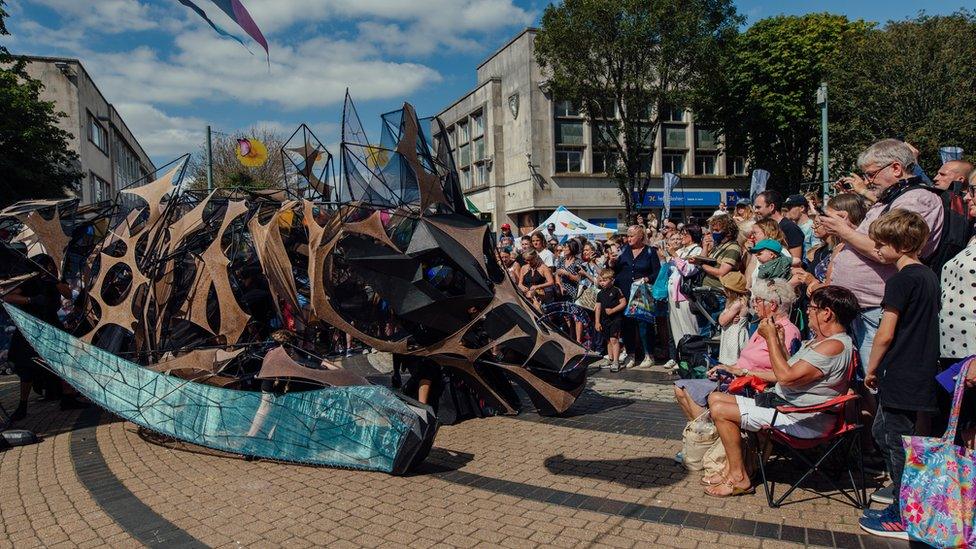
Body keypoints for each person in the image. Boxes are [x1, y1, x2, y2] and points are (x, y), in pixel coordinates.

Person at [703, 285, 859, 497]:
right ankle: (738, 468)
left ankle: (738, 477)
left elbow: (785, 377)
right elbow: (790, 372)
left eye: (811, 308)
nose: (807, 311)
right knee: (716, 398)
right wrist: (777, 343)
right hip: (790, 408)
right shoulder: (822, 342)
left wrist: (770, 340)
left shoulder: (833, 346)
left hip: (803, 419)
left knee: (721, 409)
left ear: (827, 313)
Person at [819, 139, 943, 369]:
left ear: (896, 168)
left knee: (876, 378)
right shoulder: (891, 198)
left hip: (878, 309)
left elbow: (889, 250)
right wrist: (851, 230)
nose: (867, 182)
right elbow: (873, 241)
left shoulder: (917, 199)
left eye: (871, 174)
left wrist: (844, 231)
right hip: (862, 309)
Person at [859, 210, 941, 540]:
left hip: (901, 369)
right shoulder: (928, 276)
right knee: (884, 433)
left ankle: (903, 511)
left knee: (896, 442)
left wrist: (872, 367)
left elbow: (885, 332)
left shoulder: (900, 280)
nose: (877, 251)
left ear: (898, 244)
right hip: (919, 368)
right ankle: (904, 500)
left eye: (880, 245)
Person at [673, 278, 802, 422]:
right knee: (681, 388)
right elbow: (744, 361)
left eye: (757, 300)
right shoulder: (765, 326)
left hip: (753, 387)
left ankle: (709, 434)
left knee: (686, 389)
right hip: (737, 380)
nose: (754, 305)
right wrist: (726, 368)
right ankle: (705, 432)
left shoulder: (787, 331)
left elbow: (783, 373)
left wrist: (741, 372)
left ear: (772, 305)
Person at [793, 194, 868, 294]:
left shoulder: (862, 247)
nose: (825, 221)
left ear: (844, 216)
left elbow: (832, 288)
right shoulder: (839, 247)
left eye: (828, 217)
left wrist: (813, 283)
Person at [608, 225, 660, 368]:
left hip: (642, 292)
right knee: (627, 324)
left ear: (640, 237)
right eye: (628, 236)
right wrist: (612, 263)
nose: (629, 238)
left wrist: (647, 279)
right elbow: (615, 269)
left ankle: (649, 354)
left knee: (644, 323)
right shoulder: (624, 250)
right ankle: (631, 354)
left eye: (632, 236)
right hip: (624, 292)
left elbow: (657, 273)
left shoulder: (650, 252)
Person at [692, 215, 742, 329]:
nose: (714, 233)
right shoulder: (718, 246)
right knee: (704, 331)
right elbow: (703, 260)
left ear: (728, 232)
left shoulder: (733, 248)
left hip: (719, 294)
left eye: (717, 230)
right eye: (713, 230)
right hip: (707, 293)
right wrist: (705, 247)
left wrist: (701, 264)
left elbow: (721, 272)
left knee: (713, 331)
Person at [666, 225, 703, 346]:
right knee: (677, 329)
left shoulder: (697, 250)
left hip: (685, 295)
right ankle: (681, 356)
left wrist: (675, 256)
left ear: (692, 236)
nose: (681, 236)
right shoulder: (681, 250)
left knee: (689, 327)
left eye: (684, 234)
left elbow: (688, 270)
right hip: (673, 295)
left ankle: (693, 355)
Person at [753, 190, 804, 260]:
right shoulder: (763, 226)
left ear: (771, 207)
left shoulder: (789, 227)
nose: (755, 211)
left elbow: (796, 260)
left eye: (758, 207)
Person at [595, 269, 626, 372]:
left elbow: (623, 303)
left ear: (611, 280)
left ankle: (616, 361)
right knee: (608, 340)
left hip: (615, 319)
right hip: (604, 320)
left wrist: (613, 310)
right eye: (601, 280)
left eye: (604, 280)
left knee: (614, 339)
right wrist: (597, 321)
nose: (602, 283)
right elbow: (598, 308)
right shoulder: (600, 293)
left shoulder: (616, 290)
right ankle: (610, 358)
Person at [716, 272, 749, 366]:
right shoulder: (734, 302)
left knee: (732, 361)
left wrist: (725, 311)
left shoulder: (737, 304)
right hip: (731, 332)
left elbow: (722, 321)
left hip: (734, 335)